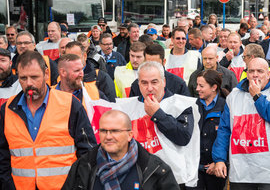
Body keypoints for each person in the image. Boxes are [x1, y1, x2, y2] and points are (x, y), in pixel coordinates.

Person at [0, 51, 97, 189]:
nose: (29, 83)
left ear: (46, 74)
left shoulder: (70, 104)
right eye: (23, 78)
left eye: (34, 77)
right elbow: (2, 156)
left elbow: (88, 154)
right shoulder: (7, 109)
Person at [212, 58, 270, 190]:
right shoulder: (234, 96)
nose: (255, 75)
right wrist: (219, 159)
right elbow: (225, 129)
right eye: (251, 71)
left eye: (260, 71)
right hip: (242, 169)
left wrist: (257, 96)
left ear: (268, 74)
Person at [62, 110, 180, 190]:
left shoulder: (155, 169)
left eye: (115, 131)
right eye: (103, 131)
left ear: (130, 135)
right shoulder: (83, 166)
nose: (108, 136)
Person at [126, 61, 199, 189]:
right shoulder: (129, 107)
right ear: (138, 84)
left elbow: (183, 137)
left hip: (173, 179)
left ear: (163, 82)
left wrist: (157, 114)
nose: (149, 88)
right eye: (144, 83)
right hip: (140, 178)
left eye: (154, 82)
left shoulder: (181, 104)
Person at [188, 70, 229, 190]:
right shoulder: (192, 105)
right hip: (194, 168)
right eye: (197, 85)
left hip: (217, 169)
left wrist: (219, 161)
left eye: (201, 86)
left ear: (214, 87)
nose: (197, 89)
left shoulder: (225, 106)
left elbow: (228, 137)